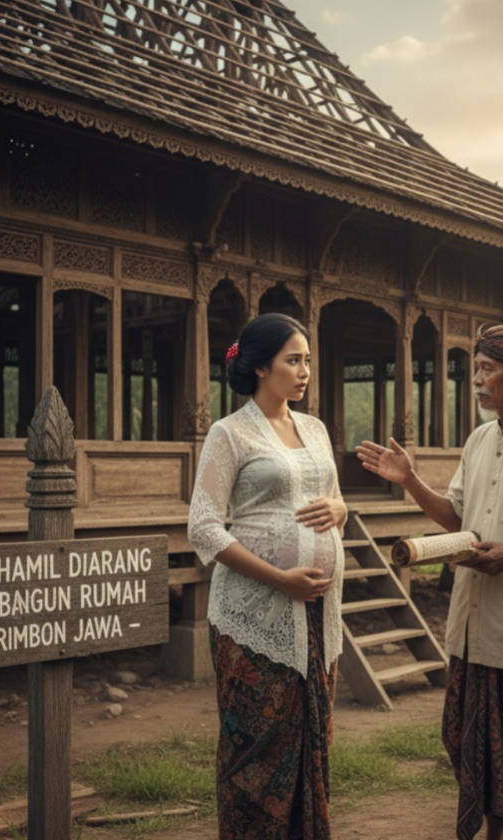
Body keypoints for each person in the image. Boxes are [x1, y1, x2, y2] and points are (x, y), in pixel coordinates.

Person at [357, 323, 503, 840]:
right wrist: (409, 480)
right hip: (471, 624)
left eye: (487, 370)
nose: (478, 381)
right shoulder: (479, 439)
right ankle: (496, 833)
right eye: (477, 370)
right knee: (468, 741)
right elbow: (457, 517)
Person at [188, 313, 347, 840]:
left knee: (311, 739)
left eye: (307, 360)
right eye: (293, 360)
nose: (304, 371)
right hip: (253, 615)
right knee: (256, 746)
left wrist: (338, 511)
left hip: (318, 612)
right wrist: (280, 580)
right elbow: (204, 529)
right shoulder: (228, 434)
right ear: (260, 367)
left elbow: (336, 500)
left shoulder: (316, 428)